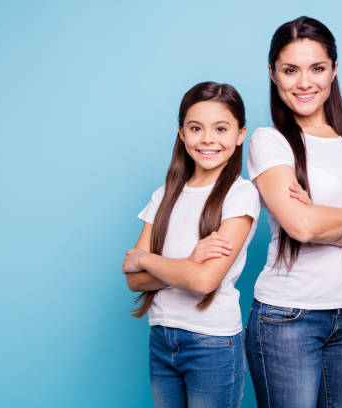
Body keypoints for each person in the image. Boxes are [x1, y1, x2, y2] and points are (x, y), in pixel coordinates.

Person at [244, 16, 342, 408]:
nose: (304, 83)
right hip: (287, 319)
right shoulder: (271, 141)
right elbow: (301, 226)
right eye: (290, 70)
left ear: (334, 70)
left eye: (317, 68)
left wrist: (320, 221)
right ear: (272, 73)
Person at [122, 81, 259, 408]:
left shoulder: (240, 195)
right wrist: (189, 260)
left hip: (210, 343)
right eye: (196, 128)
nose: (208, 139)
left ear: (240, 135)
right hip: (162, 337)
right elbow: (132, 279)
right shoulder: (164, 194)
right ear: (182, 134)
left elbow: (203, 280)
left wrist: (147, 259)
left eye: (221, 128)